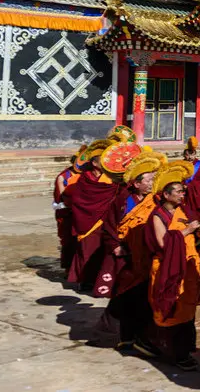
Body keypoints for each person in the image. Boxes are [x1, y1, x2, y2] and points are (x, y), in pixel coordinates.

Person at [147, 160, 200, 370]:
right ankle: (174, 353)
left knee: (187, 309)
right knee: (171, 309)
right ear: (166, 195)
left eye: (184, 191)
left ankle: (185, 349)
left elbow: (195, 236)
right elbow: (164, 242)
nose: (183, 195)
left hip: (188, 267)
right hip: (168, 268)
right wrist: (188, 230)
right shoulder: (157, 216)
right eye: (179, 192)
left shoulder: (184, 212)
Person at [107, 151, 164, 354]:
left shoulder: (155, 200)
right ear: (136, 183)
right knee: (127, 296)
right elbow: (108, 225)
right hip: (128, 256)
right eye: (148, 180)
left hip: (148, 256)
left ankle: (141, 336)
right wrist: (115, 245)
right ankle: (127, 337)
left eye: (153, 179)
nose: (151, 183)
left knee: (144, 298)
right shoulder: (123, 200)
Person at [62, 143, 119, 292]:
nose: (108, 162)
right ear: (94, 163)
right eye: (103, 159)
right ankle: (82, 280)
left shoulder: (112, 179)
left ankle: (97, 280)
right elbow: (79, 200)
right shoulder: (84, 179)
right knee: (86, 251)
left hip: (105, 220)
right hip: (87, 221)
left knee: (102, 251)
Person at [53, 152, 83, 272]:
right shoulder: (63, 177)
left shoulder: (86, 175)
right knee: (68, 241)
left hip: (81, 212)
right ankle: (68, 268)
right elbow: (63, 195)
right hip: (67, 211)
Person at [181, 139, 200, 221]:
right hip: (184, 195)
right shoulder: (181, 165)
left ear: (195, 155)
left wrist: (190, 186)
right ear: (184, 155)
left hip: (196, 196)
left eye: (192, 155)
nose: (190, 157)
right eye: (187, 155)